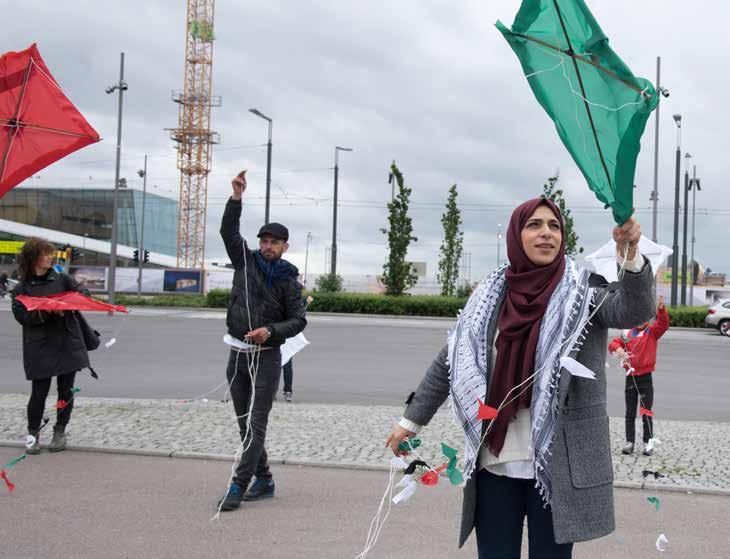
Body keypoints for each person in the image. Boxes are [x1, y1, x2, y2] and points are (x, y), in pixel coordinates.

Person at [384, 197, 655, 559]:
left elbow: (635, 309)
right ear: (516, 235)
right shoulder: (490, 296)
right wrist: (411, 421)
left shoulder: (584, 291)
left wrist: (632, 257)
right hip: (495, 461)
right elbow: (450, 360)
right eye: (534, 225)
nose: (547, 233)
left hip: (558, 465)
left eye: (554, 226)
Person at [217, 171, 307, 511]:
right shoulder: (245, 261)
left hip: (268, 356)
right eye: (264, 240)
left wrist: (270, 332)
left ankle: (238, 486)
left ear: (285, 247)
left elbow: (299, 320)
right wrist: (236, 198)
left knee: (257, 422)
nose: (267, 246)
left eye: (274, 242)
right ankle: (265, 479)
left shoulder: (288, 280)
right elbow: (228, 231)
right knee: (243, 423)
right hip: (237, 354)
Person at [11, 238, 91, 454]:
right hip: (39, 345)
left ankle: (60, 431)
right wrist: (46, 312)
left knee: (65, 391)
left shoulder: (63, 279)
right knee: (39, 393)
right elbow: (22, 317)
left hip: (67, 342)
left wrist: (66, 303)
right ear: (33, 258)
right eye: (45, 254)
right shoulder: (22, 287)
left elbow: (84, 295)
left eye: (50, 253)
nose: (50, 257)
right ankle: (33, 434)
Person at [608, 295, 669, 456]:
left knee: (646, 412)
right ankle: (629, 442)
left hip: (646, 378)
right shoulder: (628, 333)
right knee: (629, 412)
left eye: (646, 317)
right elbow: (613, 344)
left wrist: (661, 309)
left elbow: (663, 324)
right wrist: (618, 349)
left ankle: (648, 444)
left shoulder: (652, 332)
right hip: (630, 377)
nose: (643, 320)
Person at [280, 294, 313, 402]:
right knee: (277, 365)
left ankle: (287, 390)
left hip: (287, 337)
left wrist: (305, 302)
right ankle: (274, 390)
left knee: (286, 364)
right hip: (277, 335)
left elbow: (297, 311)